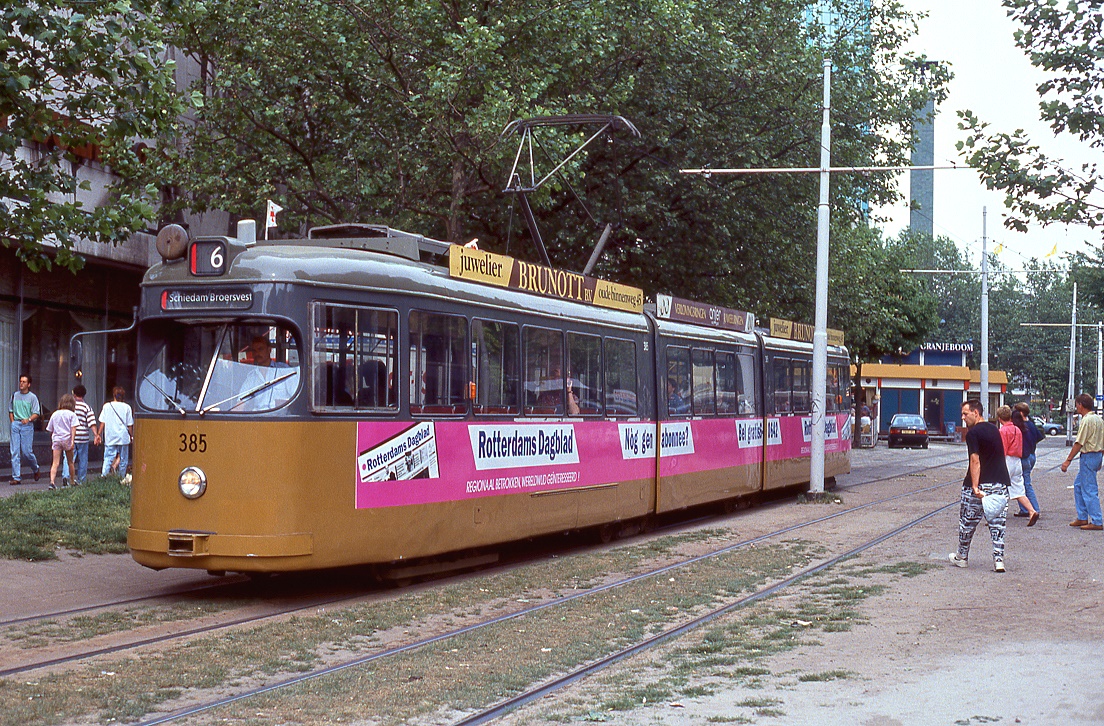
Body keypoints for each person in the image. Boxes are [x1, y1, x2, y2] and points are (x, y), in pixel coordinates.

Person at [949, 399, 1011, 572]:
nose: (963, 418)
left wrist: (975, 487)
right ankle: (999, 560)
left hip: (978, 487)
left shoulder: (973, 433)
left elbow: (975, 460)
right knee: (998, 525)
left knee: (967, 523)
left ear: (976, 413)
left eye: (965, 414)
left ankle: (962, 556)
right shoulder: (994, 429)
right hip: (999, 483)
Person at [1060, 393, 1104, 531]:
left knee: (1089, 489)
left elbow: (1079, 443)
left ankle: (1097, 520)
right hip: (1097, 455)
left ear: (1080, 405)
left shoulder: (1086, 421)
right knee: (1078, 485)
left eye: (1077, 404)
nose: (1076, 407)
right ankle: (1082, 516)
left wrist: (1068, 460)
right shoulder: (1099, 419)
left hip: (1088, 455)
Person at [996, 405, 1038, 526]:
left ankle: (996, 515)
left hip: (1007, 460)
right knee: (1019, 490)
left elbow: (1002, 449)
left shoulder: (1003, 431)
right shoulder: (1017, 430)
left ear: (999, 418)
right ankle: (1032, 511)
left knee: (999, 488)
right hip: (1017, 461)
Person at [62, 384, 100, 485]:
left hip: (71, 437)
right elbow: (92, 422)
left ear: (74, 394)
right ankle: (81, 480)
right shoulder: (87, 407)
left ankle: (66, 476)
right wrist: (96, 435)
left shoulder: (70, 407)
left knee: (69, 458)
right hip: (83, 437)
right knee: (83, 459)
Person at [8, 374, 41, 485]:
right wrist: (13, 422)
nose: (21, 384)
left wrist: (29, 419)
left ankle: (35, 468)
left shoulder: (32, 397)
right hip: (16, 424)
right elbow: (10, 410)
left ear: (29, 384)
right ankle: (16, 477)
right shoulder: (14, 395)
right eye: (20, 381)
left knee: (27, 452)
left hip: (27, 426)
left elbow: (36, 413)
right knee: (15, 451)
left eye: (24, 382)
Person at [1013, 403, 1043, 519]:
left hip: (1024, 457)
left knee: (1025, 483)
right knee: (1023, 482)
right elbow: (1038, 437)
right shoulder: (1031, 424)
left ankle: (1033, 509)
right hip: (1032, 455)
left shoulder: (1020, 426)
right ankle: (1024, 508)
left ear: (1020, 413)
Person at [98, 386, 134, 478]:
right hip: (123, 437)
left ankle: (103, 477)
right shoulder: (127, 407)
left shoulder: (107, 406)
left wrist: (98, 434)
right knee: (123, 459)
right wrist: (131, 435)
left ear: (113, 395)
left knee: (108, 458)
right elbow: (129, 424)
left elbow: (102, 422)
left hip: (110, 436)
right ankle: (121, 478)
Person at [46, 394, 78, 490]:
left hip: (56, 440)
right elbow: (73, 429)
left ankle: (52, 482)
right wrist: (72, 441)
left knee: (55, 462)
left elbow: (49, 429)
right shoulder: (72, 415)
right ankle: (72, 480)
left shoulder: (55, 414)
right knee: (70, 462)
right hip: (67, 440)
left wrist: (53, 437)